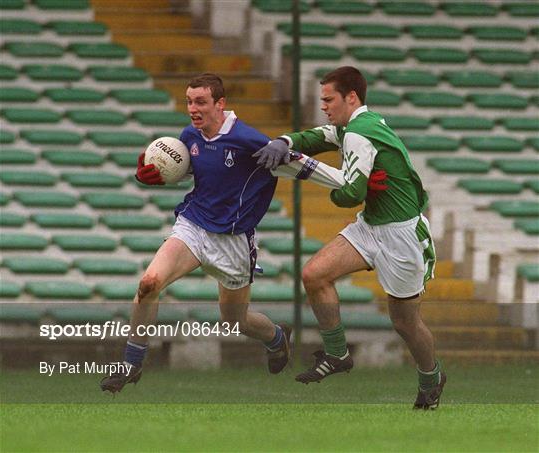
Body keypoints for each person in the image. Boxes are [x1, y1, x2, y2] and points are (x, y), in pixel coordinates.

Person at [254, 66, 446, 410]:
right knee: (314, 274)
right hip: (371, 226)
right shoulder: (355, 125)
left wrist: (306, 170)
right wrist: (284, 142)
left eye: (329, 99)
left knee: (405, 322)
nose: (324, 106)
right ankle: (337, 354)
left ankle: (431, 377)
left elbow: (350, 192)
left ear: (351, 97)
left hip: (401, 236)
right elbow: (319, 137)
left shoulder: (359, 132)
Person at [100, 73, 292, 393]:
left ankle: (276, 338)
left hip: (233, 239)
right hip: (194, 224)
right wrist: (153, 173)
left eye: (200, 101)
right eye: (189, 101)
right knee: (149, 284)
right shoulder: (189, 134)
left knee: (235, 321)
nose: (192, 107)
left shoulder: (248, 139)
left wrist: (347, 182)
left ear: (220, 104)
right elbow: (193, 167)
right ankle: (131, 365)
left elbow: (293, 165)